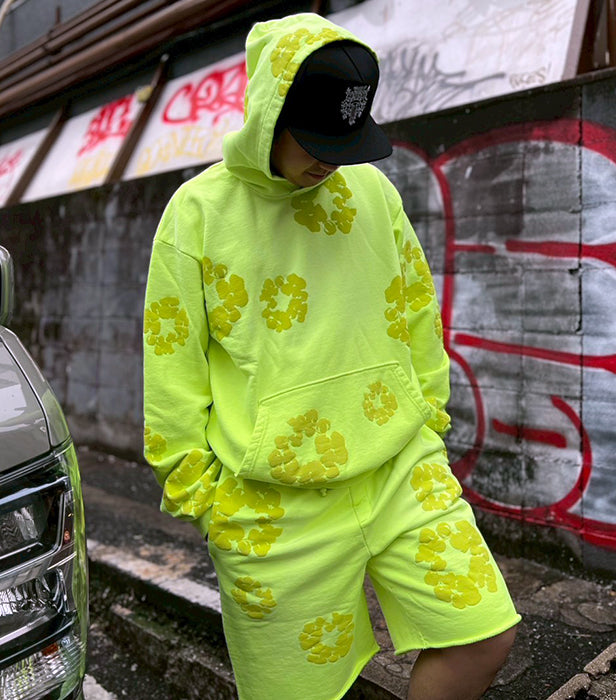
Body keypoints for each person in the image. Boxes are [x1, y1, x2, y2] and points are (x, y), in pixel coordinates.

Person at [143, 11, 520, 700]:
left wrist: (429, 423)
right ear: (268, 113)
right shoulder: (197, 213)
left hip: (400, 468)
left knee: (483, 636)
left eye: (345, 140)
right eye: (315, 138)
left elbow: (416, 311)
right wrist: (208, 501)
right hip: (271, 505)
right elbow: (172, 367)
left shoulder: (373, 192)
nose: (331, 159)